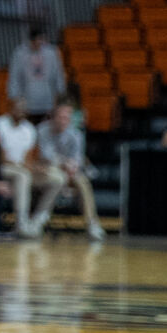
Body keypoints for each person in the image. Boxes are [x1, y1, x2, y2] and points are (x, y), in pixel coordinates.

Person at [0, 98, 64, 236]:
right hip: (3, 168)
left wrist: (36, 168)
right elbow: (0, 156)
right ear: (10, 108)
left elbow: (29, 157)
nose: (21, 111)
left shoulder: (29, 129)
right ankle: (21, 222)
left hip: (22, 168)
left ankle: (37, 221)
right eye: (18, 108)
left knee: (58, 178)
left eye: (24, 109)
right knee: (23, 176)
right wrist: (23, 166)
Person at [37, 101, 104, 240]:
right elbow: (46, 156)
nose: (64, 121)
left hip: (68, 170)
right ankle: (39, 220)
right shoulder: (42, 130)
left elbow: (78, 159)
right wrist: (64, 164)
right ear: (53, 117)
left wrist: (72, 167)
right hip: (47, 169)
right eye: (61, 117)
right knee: (58, 177)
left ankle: (92, 224)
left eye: (67, 118)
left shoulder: (76, 134)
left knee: (83, 181)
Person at [7, 27, 65, 120]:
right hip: (27, 102)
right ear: (31, 40)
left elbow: (58, 76)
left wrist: (59, 96)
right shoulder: (19, 53)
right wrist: (15, 98)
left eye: (42, 40)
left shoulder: (52, 53)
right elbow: (14, 78)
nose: (40, 43)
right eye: (38, 40)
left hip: (48, 101)